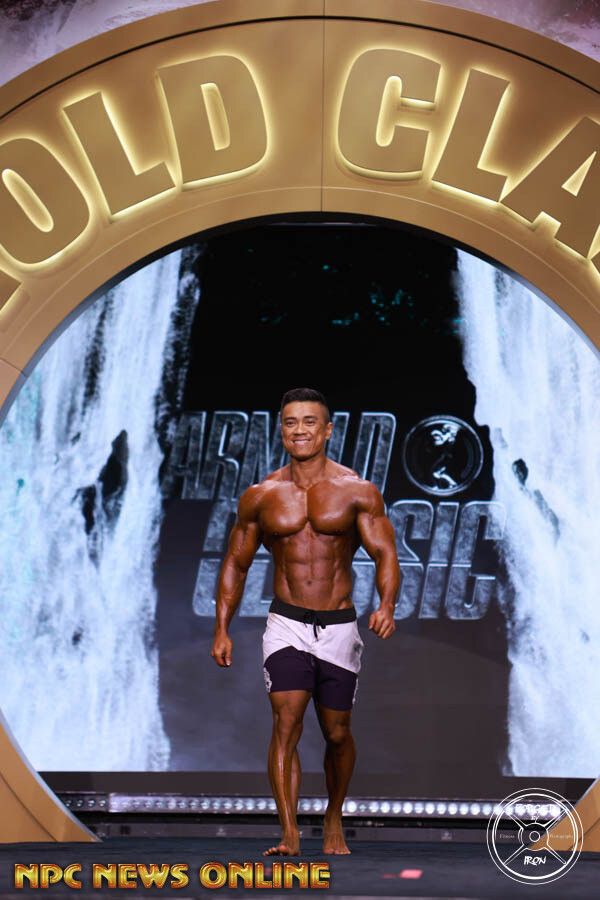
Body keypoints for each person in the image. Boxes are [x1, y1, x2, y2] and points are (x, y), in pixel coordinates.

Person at [210, 388, 400, 856]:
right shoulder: (261, 496)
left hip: (338, 626)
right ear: (281, 429)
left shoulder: (357, 490)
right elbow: (235, 562)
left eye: (309, 422)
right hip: (287, 624)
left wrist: (387, 605)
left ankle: (333, 817)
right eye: (291, 422)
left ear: (328, 430)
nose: (299, 430)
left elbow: (385, 552)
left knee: (337, 732)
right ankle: (289, 833)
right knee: (285, 723)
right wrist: (222, 628)